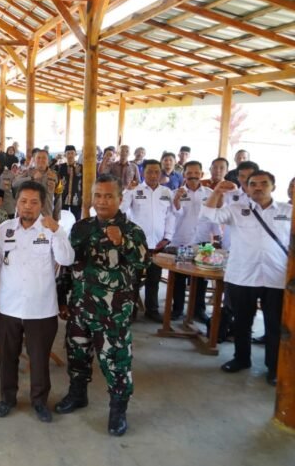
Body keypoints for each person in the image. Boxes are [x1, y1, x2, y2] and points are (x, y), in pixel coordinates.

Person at [55, 174, 149, 436]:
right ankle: (78, 394)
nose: (103, 201)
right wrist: (62, 297)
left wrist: (123, 243)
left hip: (112, 312)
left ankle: (118, 410)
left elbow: (143, 265)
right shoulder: (81, 227)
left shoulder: (133, 231)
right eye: (98, 195)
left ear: (120, 199)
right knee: (77, 353)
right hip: (80, 307)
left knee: (116, 361)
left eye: (109, 196)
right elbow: (69, 263)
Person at [0, 181, 74, 422]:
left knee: (39, 359)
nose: (28, 207)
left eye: (34, 202)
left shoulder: (50, 229)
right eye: (23, 201)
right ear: (16, 202)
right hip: (8, 305)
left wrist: (57, 231)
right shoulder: (4, 229)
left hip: (41, 307)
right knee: (8, 357)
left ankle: (39, 401)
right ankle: (7, 398)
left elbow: (66, 260)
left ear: (42, 204)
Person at [201, 172, 290, 386]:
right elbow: (209, 214)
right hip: (242, 276)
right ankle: (241, 358)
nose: (258, 188)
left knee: (274, 325)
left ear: (273, 187)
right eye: (253, 184)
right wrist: (217, 191)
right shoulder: (237, 210)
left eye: (263, 184)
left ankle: (273, 367)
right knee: (242, 321)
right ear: (247, 188)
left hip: (276, 277)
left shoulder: (288, 212)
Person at [120, 159, 175, 321]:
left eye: (156, 172)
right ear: (143, 172)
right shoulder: (135, 190)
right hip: (137, 243)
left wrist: (168, 237)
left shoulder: (167, 192)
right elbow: (122, 210)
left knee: (154, 279)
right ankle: (130, 310)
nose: (153, 175)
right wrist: (127, 191)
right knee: (133, 279)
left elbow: (171, 216)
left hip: (158, 244)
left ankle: (152, 310)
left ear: (161, 173)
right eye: (149, 171)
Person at [169, 161, 219, 322]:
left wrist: (217, 236)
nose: (193, 176)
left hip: (203, 242)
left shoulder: (211, 193)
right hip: (182, 241)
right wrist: (176, 201)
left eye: (196, 173)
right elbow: (174, 216)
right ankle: (177, 310)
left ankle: (199, 310)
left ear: (201, 174)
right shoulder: (176, 193)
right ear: (184, 175)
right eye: (189, 173)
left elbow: (214, 216)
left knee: (201, 279)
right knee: (179, 278)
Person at [57, 145, 83, 221]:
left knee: (77, 219)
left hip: (76, 197)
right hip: (63, 197)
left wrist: (83, 196)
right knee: (62, 218)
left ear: (75, 154)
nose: (70, 155)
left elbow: (84, 183)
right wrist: (56, 159)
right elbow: (48, 168)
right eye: (68, 153)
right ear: (65, 155)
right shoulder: (60, 167)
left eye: (72, 153)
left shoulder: (81, 167)